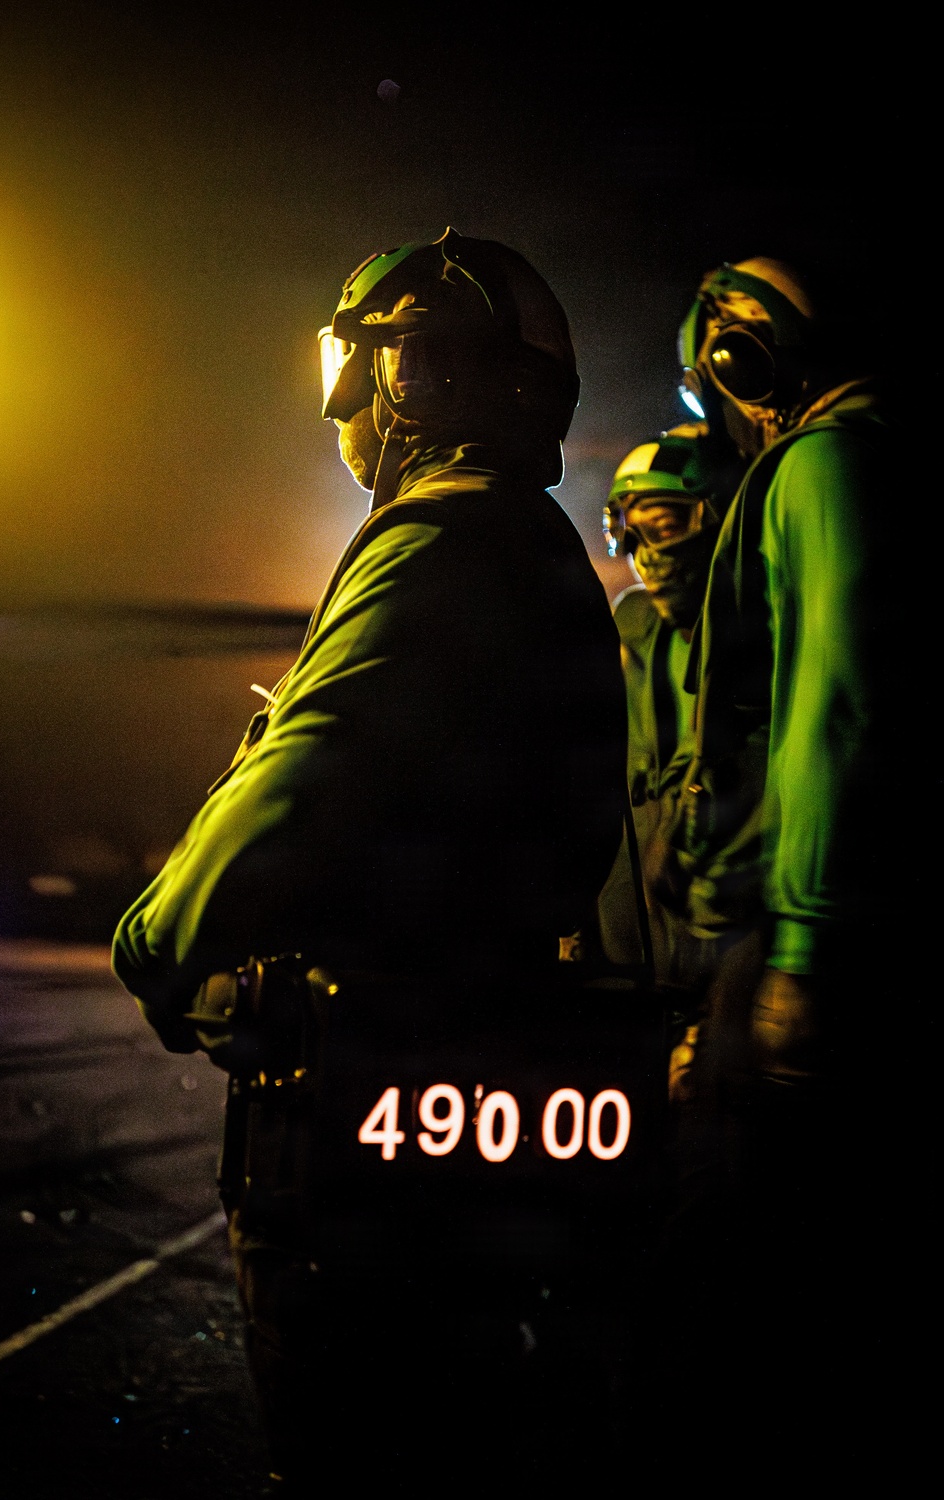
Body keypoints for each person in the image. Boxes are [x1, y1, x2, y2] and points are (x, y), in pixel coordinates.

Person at [112, 228, 627, 1490]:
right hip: (485, 1057)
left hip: (365, 1089)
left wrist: (157, 939)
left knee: (349, 1436)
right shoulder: (538, 545)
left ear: (406, 376)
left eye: (363, 360)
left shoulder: (438, 542)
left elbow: (307, 773)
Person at [647, 256, 894, 1476]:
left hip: (812, 949)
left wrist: (796, 950)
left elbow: (832, 705)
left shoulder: (826, 464)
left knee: (736, 1287)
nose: (726, 418)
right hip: (798, 941)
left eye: (716, 389)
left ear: (745, 357)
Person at [596, 428, 743, 1033]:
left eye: (664, 525)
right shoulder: (630, 638)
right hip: (630, 977)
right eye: (631, 532)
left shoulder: (756, 651)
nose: (646, 553)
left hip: (722, 973)